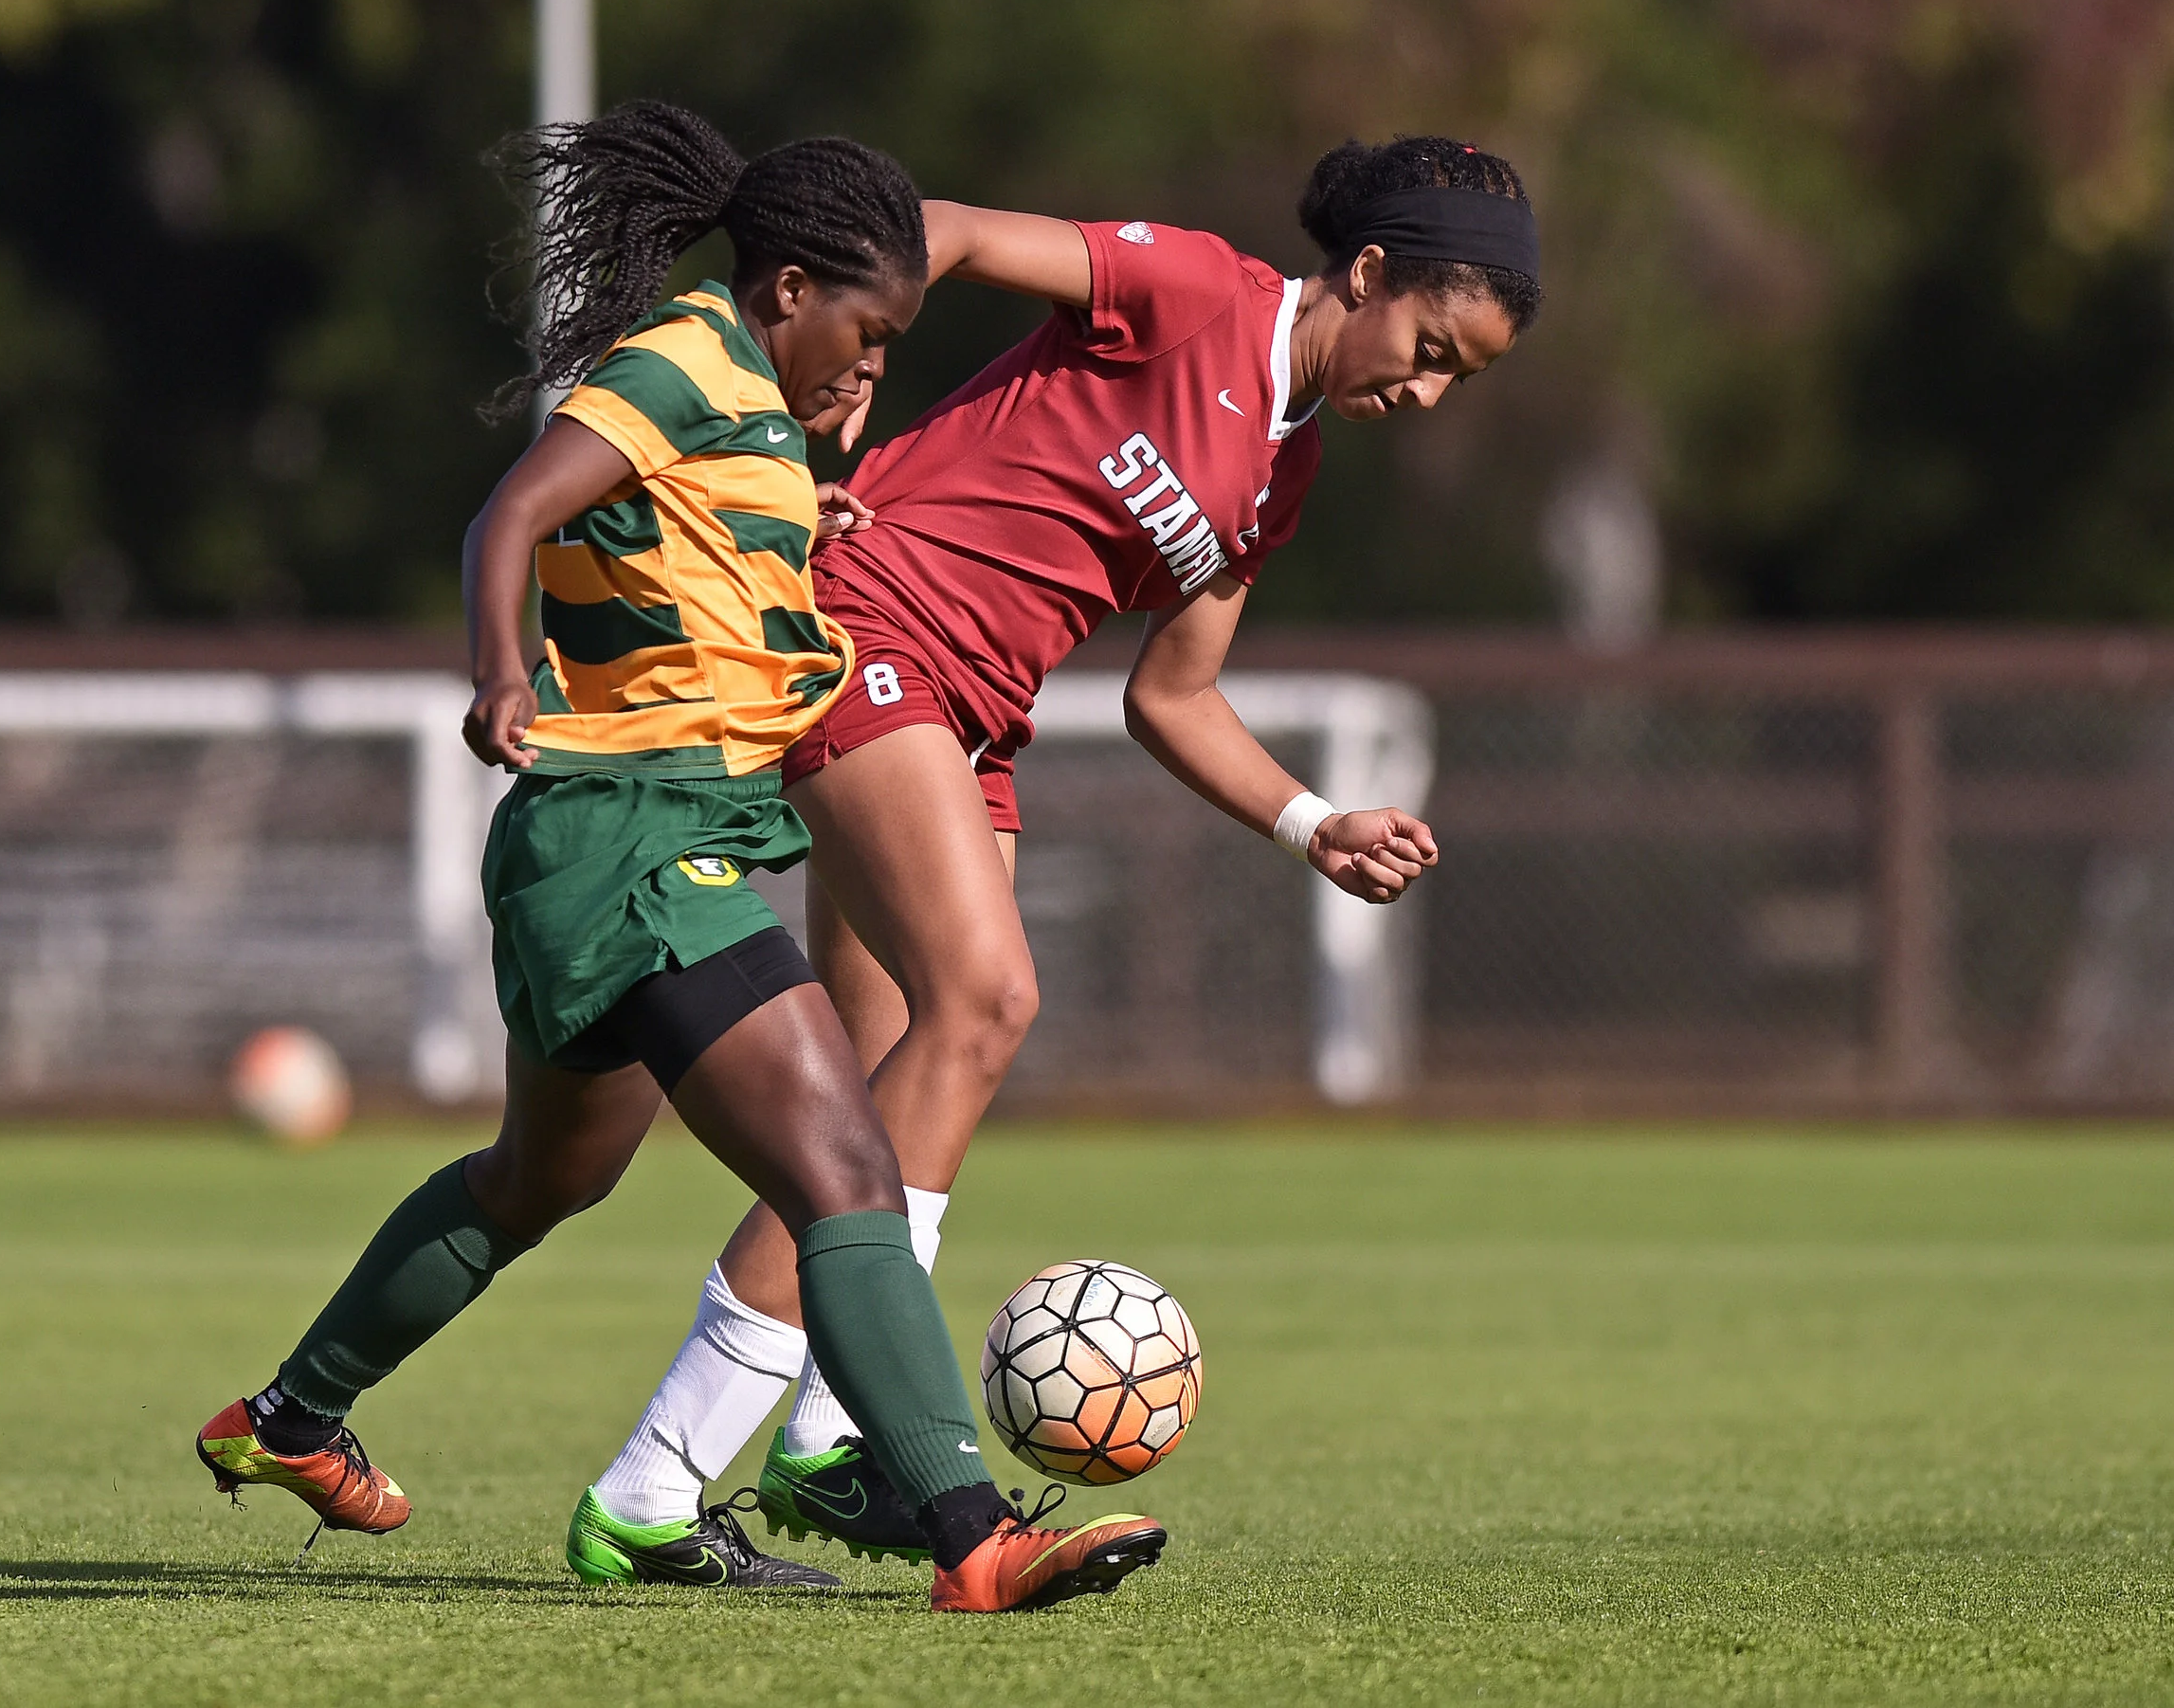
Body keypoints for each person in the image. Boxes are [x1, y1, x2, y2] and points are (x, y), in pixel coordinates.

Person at [194, 100, 1168, 1615]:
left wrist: (806, 512)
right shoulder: (686, 361)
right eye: (866, 327)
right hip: (630, 836)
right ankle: (975, 1534)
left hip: (626, 840)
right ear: (788, 289)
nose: (873, 360)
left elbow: (693, 571)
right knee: (846, 1167)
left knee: (537, 1180)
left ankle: (287, 1419)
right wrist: (497, 672)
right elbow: (511, 512)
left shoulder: (759, 419)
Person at [581, 136, 1542, 1568]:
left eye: (1461, 374)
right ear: (1374, 271)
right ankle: (666, 1482)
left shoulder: (1282, 473)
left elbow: (1173, 694)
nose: (1429, 386)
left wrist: (1311, 821)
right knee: (989, 999)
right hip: (870, 619)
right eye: (1434, 345)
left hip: (979, 723)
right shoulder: (1194, 290)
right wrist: (841, 365)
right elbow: (950, 226)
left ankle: (820, 1448)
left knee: (891, 1094)